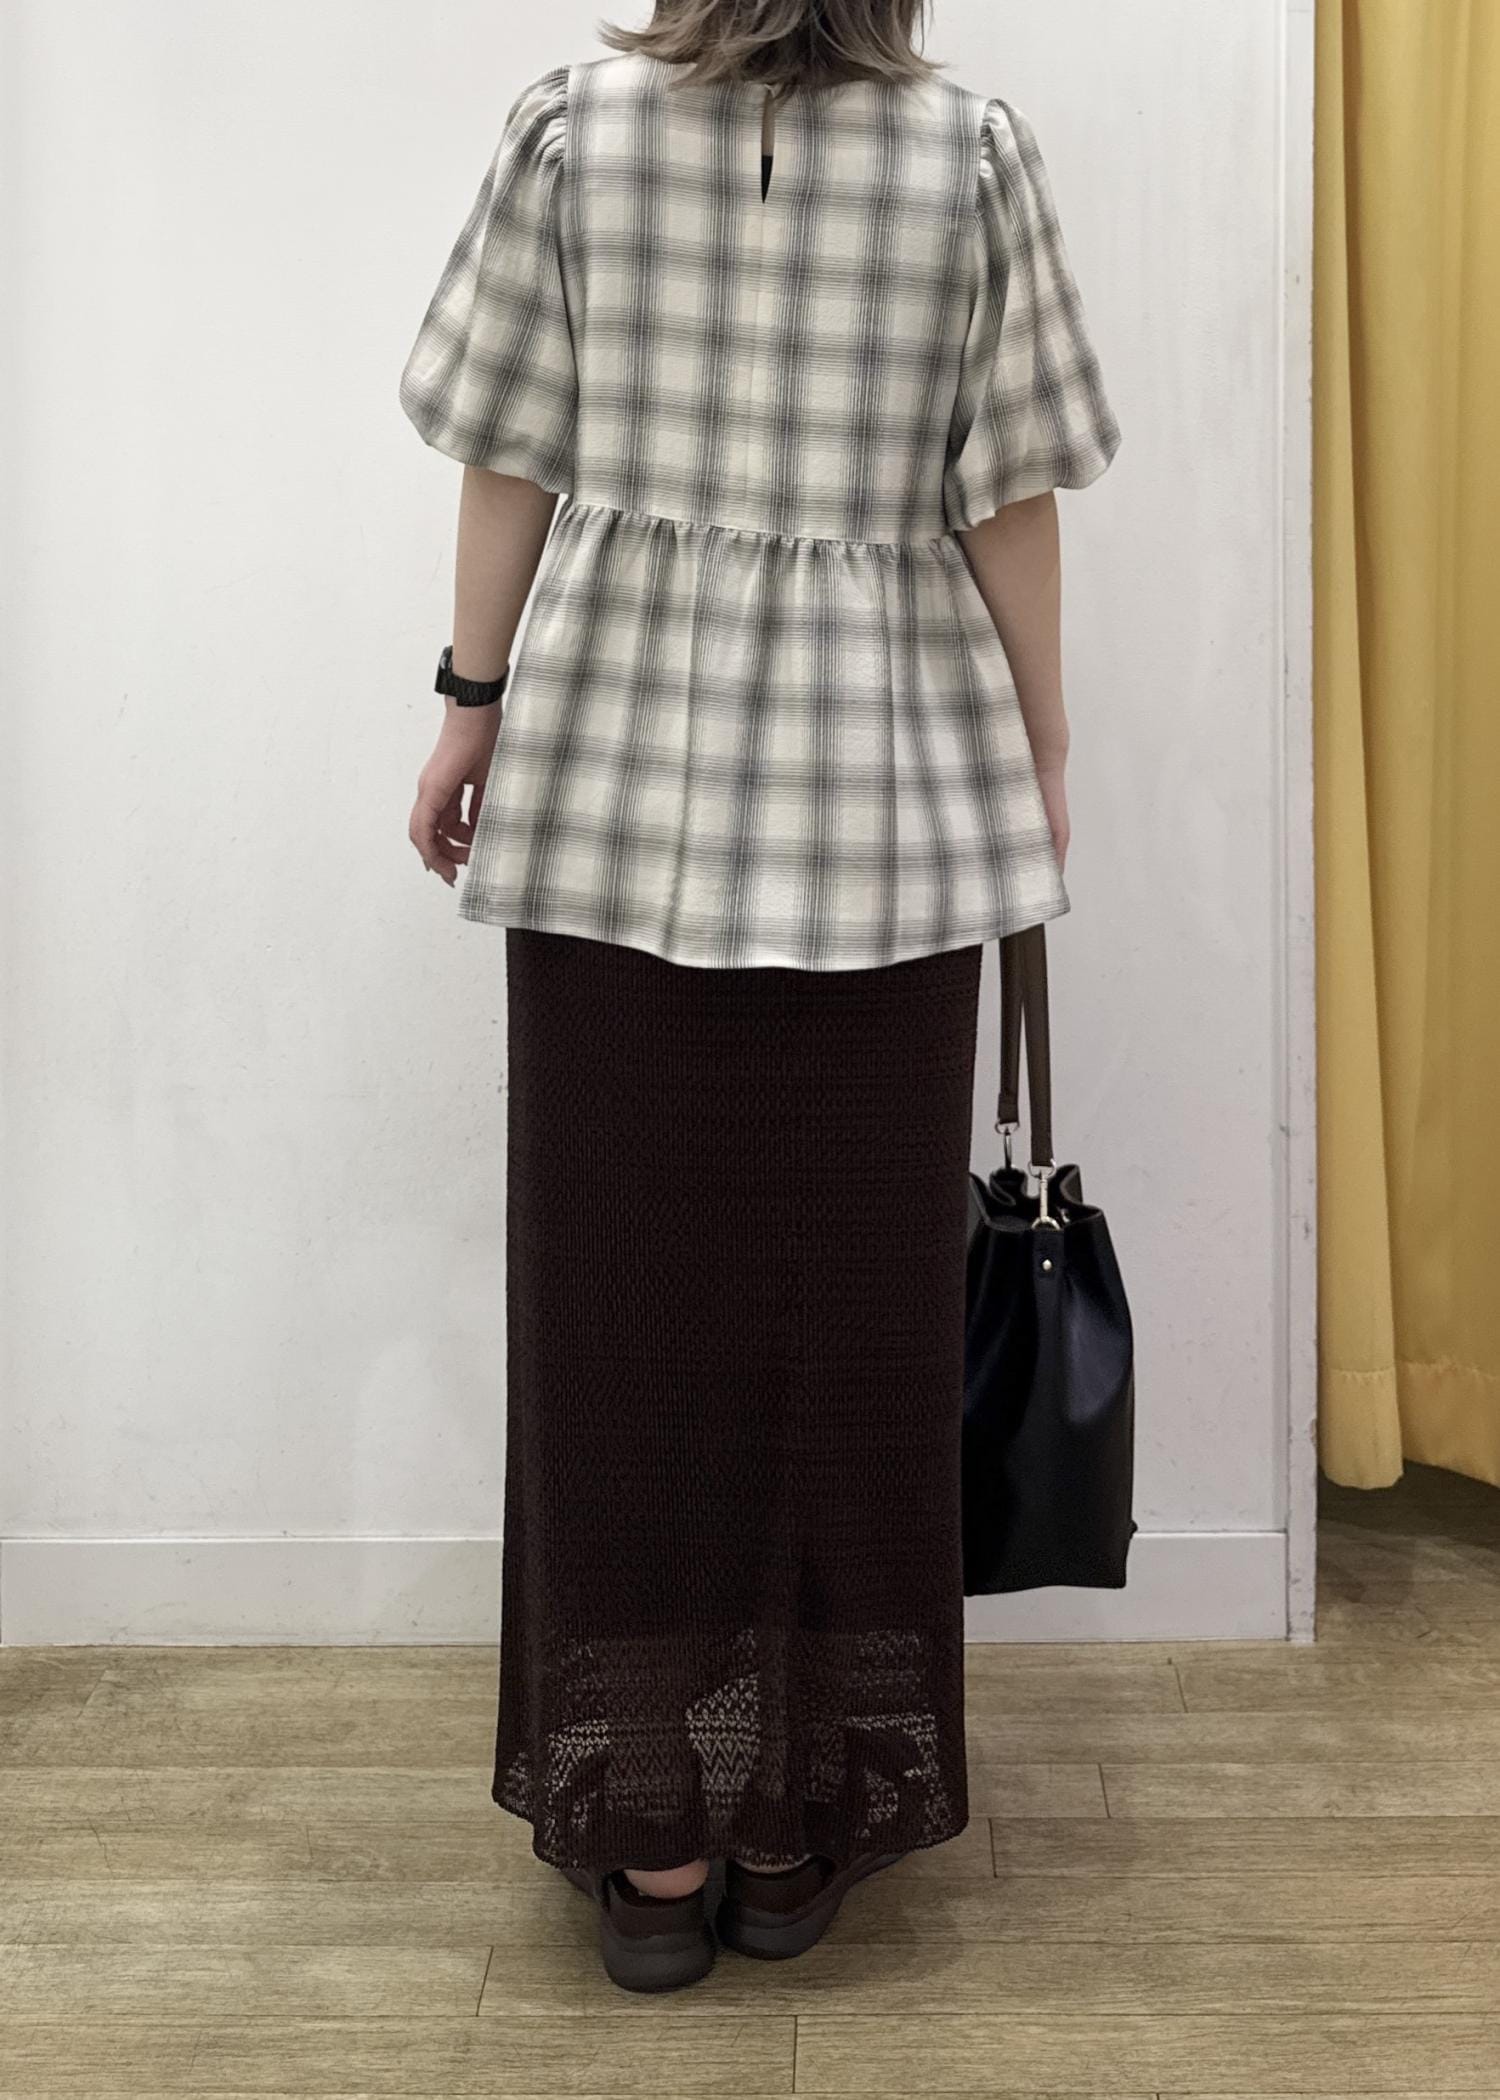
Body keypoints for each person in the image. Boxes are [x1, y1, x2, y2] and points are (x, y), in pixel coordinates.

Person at [398, 0, 1120, 1995]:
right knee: (848, 1331)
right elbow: (1011, 496)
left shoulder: (571, 132)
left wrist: (467, 705)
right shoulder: (970, 153)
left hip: (611, 802)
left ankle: (650, 1844)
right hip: (885, 807)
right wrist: (1045, 746)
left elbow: (506, 449)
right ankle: (797, 1822)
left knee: (622, 1323)